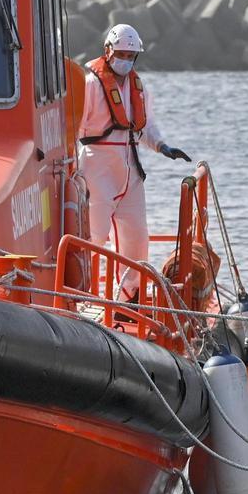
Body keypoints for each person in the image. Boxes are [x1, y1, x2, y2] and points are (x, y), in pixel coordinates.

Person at [78, 24, 191, 301]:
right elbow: (74, 126)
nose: (126, 60)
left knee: (137, 239)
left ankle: (127, 297)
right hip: (97, 163)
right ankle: (78, 294)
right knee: (93, 236)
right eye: (122, 54)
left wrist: (163, 146)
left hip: (130, 167)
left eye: (131, 56)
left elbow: (146, 127)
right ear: (108, 51)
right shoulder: (90, 84)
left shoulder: (139, 88)